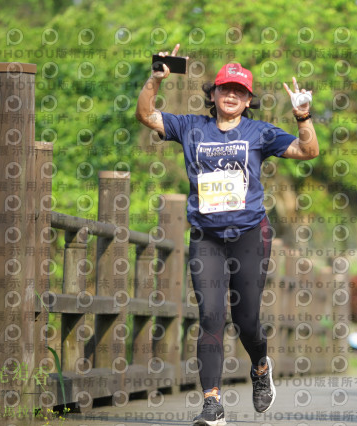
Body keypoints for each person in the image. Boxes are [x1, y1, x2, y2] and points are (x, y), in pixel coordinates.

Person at [136, 44, 319, 426]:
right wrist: (155, 78)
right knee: (211, 317)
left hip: (250, 234)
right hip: (206, 237)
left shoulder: (259, 132)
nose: (231, 95)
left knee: (246, 320)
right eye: (225, 89)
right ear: (213, 94)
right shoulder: (191, 127)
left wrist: (303, 116)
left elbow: (308, 150)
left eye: (240, 91)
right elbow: (146, 115)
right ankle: (212, 404)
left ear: (248, 99)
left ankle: (259, 368)